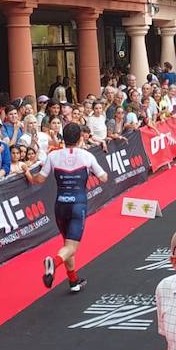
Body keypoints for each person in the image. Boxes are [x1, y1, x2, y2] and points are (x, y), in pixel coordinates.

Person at [25, 123, 107, 293]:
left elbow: (39, 179)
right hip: (78, 205)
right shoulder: (86, 156)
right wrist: (92, 172)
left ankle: (73, 280)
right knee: (71, 247)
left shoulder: (53, 156)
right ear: (80, 138)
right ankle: (53, 263)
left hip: (60, 205)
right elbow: (104, 177)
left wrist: (27, 174)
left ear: (63, 137)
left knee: (67, 244)